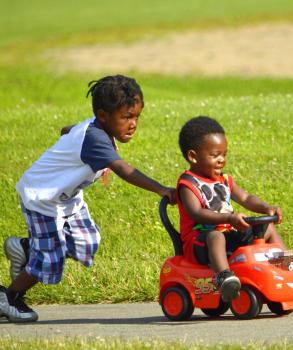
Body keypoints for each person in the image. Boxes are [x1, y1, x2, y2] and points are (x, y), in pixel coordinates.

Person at [0, 74, 176, 323]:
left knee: (86, 242)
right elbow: (124, 170)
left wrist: (68, 135)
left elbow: (70, 130)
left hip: (66, 198)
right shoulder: (95, 138)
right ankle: (9, 297)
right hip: (43, 198)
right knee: (50, 260)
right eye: (126, 117)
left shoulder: (97, 130)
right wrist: (161, 189)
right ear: (103, 116)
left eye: (136, 116)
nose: (133, 123)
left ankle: (25, 248)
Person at [176, 116, 293, 303]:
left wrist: (266, 208)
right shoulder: (188, 183)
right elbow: (196, 213)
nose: (221, 160)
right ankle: (224, 277)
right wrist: (229, 218)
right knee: (215, 237)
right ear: (193, 156)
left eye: (224, 154)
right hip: (200, 242)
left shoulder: (224, 180)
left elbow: (246, 198)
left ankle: (291, 267)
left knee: (267, 229)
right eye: (215, 155)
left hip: (227, 234)